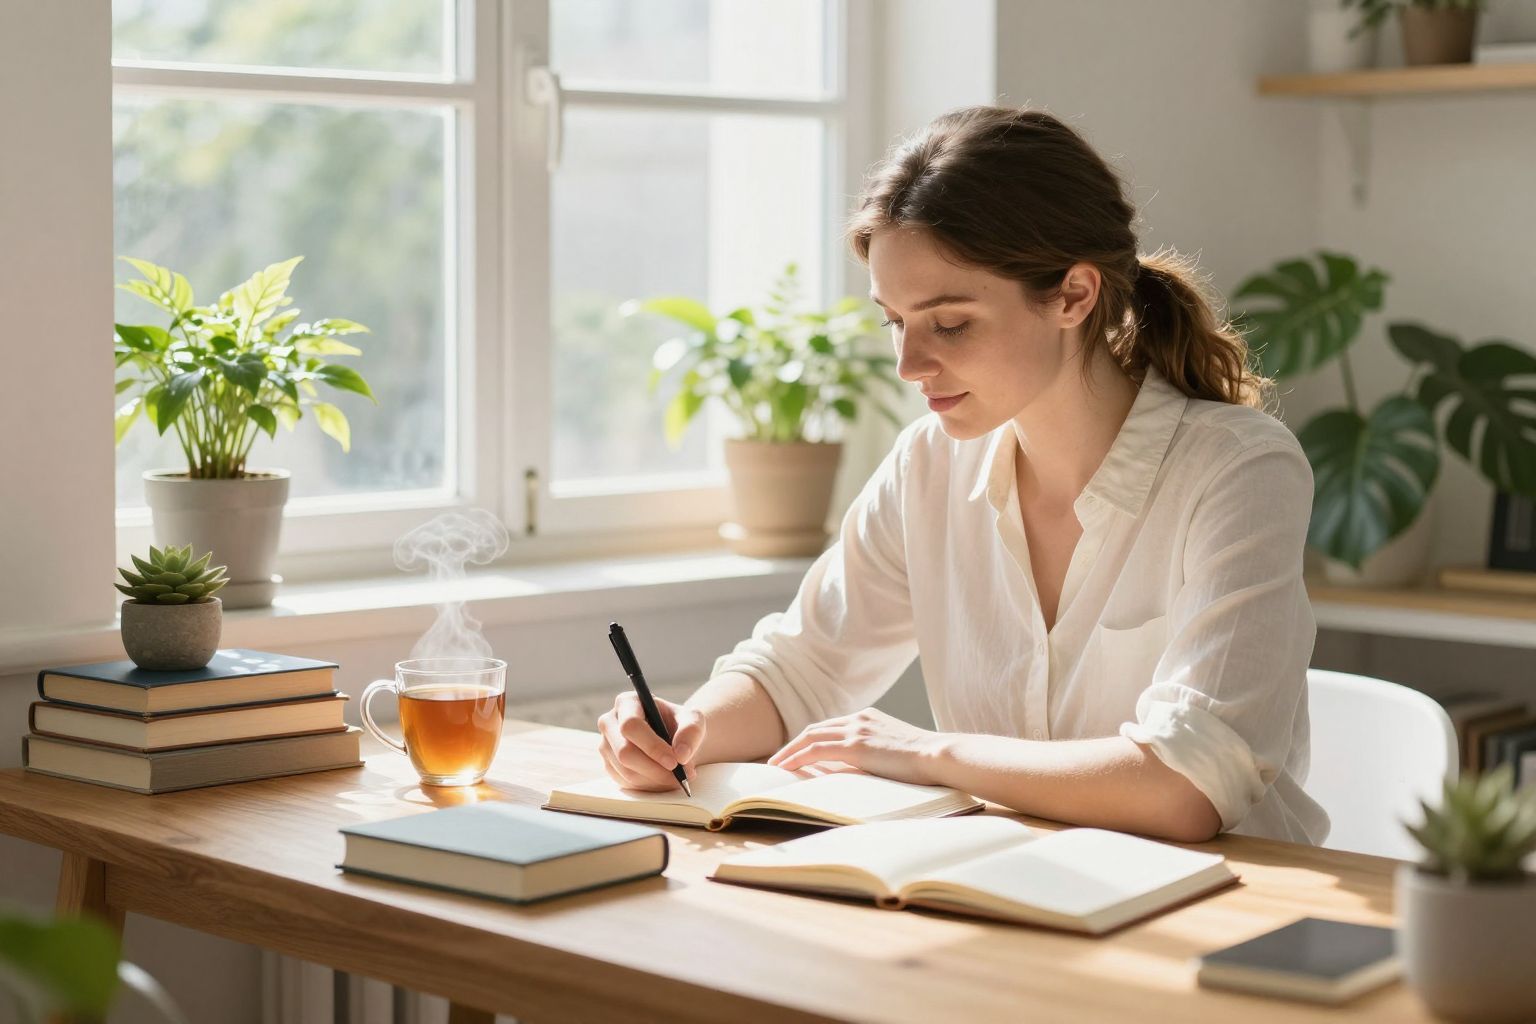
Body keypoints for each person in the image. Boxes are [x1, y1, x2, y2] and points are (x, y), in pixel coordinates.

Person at [596, 106, 1327, 846]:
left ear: (1073, 295)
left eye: (949, 324)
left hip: (1232, 897)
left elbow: (1188, 787)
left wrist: (925, 754)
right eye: (894, 321)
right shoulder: (928, 466)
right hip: (1013, 884)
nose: (908, 364)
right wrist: (687, 728)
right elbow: (801, 669)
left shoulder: (1236, 469)